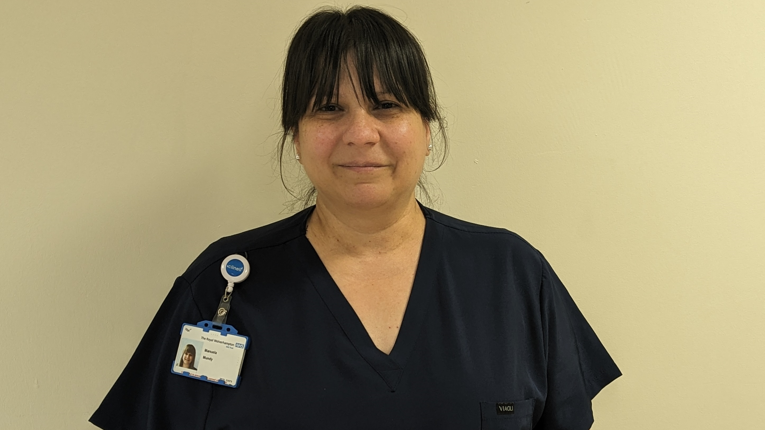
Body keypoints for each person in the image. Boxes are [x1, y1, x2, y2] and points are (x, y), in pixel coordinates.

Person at [91, 6, 620, 430]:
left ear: (427, 128)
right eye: (328, 108)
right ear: (295, 136)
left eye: (387, 106)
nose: (361, 134)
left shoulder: (513, 275)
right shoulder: (225, 281)